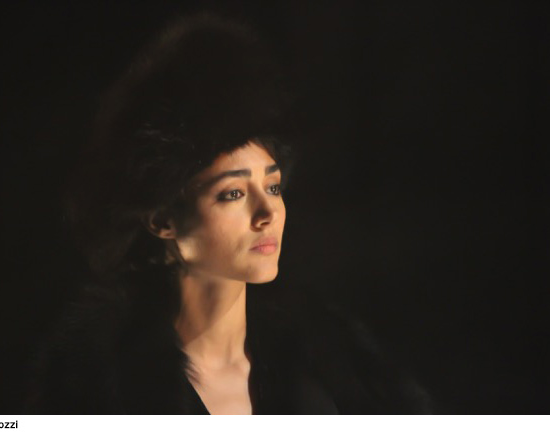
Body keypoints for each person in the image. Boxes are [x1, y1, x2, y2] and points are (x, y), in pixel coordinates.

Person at [27, 13, 433, 415]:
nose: (267, 212)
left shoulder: (332, 367)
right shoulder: (98, 392)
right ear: (162, 220)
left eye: (273, 187)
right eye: (233, 193)